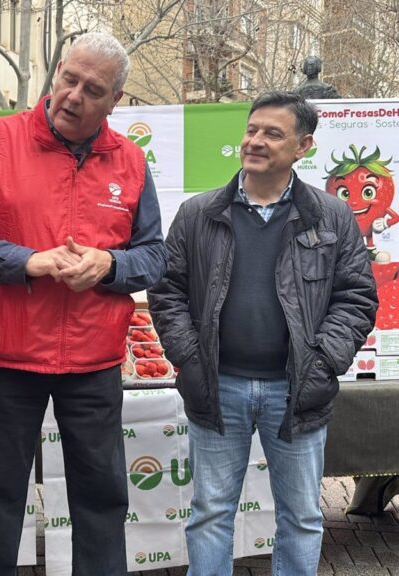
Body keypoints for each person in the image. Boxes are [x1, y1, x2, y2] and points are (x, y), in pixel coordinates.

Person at [0, 32, 167, 576]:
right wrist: (27, 262)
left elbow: (155, 256)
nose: (72, 95)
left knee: (101, 500)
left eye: (92, 89)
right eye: (68, 78)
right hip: (5, 356)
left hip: (93, 363)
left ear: (114, 101)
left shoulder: (132, 163)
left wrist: (110, 266)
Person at [148, 91, 377, 576]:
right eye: (252, 130)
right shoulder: (199, 214)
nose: (255, 141)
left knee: (302, 516)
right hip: (218, 386)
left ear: (303, 146)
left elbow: (356, 299)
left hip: (297, 389)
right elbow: (167, 292)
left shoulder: (330, 217)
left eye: (273, 133)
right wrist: (189, 359)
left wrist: (321, 363)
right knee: (210, 513)